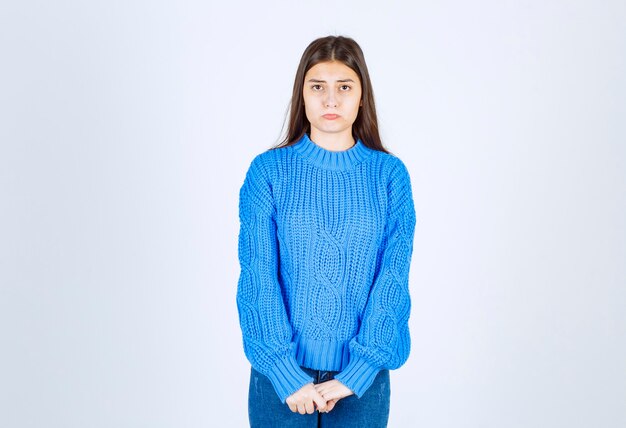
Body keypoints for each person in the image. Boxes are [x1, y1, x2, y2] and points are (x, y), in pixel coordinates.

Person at [236, 35, 416, 427]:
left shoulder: (389, 177)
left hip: (361, 383)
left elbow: (393, 276)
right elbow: (257, 275)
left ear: (362, 96)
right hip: (279, 379)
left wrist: (360, 371)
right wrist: (284, 373)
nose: (331, 100)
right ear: (302, 94)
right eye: (318, 87)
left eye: (344, 87)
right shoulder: (268, 173)